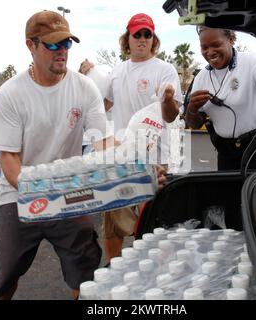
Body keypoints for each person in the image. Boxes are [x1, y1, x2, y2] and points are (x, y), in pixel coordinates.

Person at [0, 10, 111, 300]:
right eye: (53, 45)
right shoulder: (11, 94)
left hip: (67, 190)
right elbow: (9, 160)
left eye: (66, 43)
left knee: (86, 272)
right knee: (4, 274)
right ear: (31, 45)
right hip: (19, 193)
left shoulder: (84, 87)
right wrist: (39, 191)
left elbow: (101, 142)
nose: (62, 51)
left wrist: (133, 166)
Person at [79, 13, 182, 262]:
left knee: (155, 224)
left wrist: (167, 99)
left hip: (157, 160)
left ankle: (155, 273)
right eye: (137, 34)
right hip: (122, 160)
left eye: (148, 34)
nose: (142, 39)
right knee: (114, 223)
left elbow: (171, 116)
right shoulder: (116, 72)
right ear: (128, 39)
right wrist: (85, 79)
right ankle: (113, 268)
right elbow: (101, 105)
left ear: (153, 40)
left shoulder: (165, 70)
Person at [186, 27, 256, 170]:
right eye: (204, 47)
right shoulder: (201, 78)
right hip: (228, 157)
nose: (210, 52)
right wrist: (192, 110)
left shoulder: (251, 60)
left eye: (216, 45)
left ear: (230, 39)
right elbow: (195, 125)